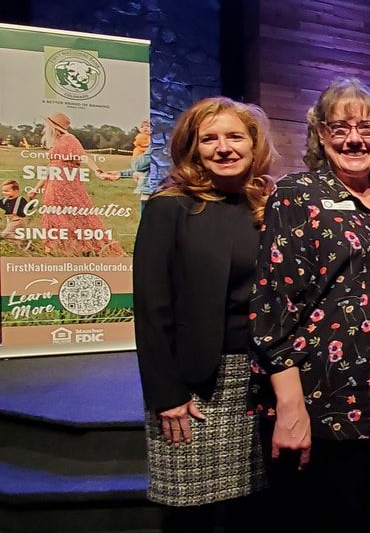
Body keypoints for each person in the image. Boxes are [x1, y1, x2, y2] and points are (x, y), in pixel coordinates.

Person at [250, 77, 370, 532]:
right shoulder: (297, 195)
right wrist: (290, 406)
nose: (354, 138)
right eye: (340, 128)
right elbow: (274, 307)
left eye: (366, 128)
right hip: (326, 406)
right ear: (319, 134)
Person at [133, 96, 274, 532]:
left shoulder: (268, 207)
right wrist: (166, 395)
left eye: (235, 136)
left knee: (253, 509)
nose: (223, 148)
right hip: (193, 387)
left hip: (260, 382)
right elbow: (151, 309)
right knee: (189, 514)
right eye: (209, 139)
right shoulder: (168, 207)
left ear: (254, 145)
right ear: (193, 148)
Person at [30, 112, 125, 256]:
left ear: (53, 126)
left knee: (77, 214)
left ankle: (85, 246)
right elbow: (50, 168)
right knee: (51, 214)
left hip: (69, 183)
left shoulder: (69, 139)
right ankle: (53, 248)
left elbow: (84, 157)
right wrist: (36, 189)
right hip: (53, 184)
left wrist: (98, 172)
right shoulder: (56, 141)